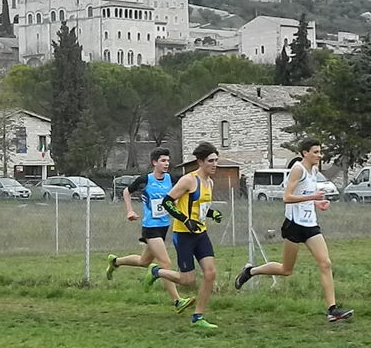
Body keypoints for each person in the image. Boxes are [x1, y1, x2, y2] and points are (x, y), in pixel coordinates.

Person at [235, 138, 354, 322]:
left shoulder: (314, 170)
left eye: (320, 152)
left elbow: (305, 195)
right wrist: (313, 196)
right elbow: (287, 197)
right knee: (286, 270)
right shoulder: (298, 169)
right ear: (305, 153)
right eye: (315, 152)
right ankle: (251, 271)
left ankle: (332, 310)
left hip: (310, 224)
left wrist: (317, 202)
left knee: (325, 263)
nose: (319, 155)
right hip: (294, 225)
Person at [143, 142, 223, 329]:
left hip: (201, 233)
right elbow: (168, 202)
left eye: (216, 160)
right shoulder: (189, 180)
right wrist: (186, 220)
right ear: (200, 162)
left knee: (210, 273)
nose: (215, 164)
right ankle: (156, 272)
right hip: (184, 234)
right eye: (211, 161)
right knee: (188, 280)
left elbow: (200, 208)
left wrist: (213, 213)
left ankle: (198, 316)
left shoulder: (209, 182)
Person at [105, 147, 194, 314]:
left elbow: (178, 196)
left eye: (168, 161)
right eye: (163, 161)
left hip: (164, 227)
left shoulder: (171, 179)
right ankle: (177, 301)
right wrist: (130, 211)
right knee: (165, 263)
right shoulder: (145, 180)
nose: (166, 164)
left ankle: (115, 261)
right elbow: (126, 191)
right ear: (154, 162)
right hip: (150, 227)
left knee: (143, 261)